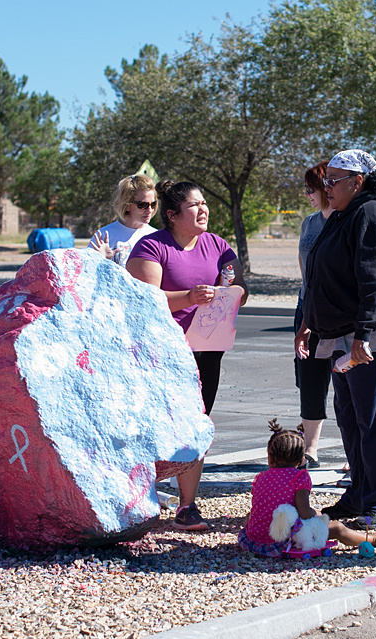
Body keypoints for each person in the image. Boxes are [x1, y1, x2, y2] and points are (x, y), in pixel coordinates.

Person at [295, 149, 376, 531]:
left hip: (370, 337)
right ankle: (360, 492)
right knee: (351, 418)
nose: (325, 187)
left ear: (357, 182)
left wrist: (364, 333)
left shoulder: (372, 214)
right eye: (325, 180)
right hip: (342, 335)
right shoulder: (344, 215)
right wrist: (310, 321)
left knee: (374, 420)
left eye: (332, 180)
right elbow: (323, 276)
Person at [127, 180, 248, 532]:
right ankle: (138, 498)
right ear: (172, 215)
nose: (204, 209)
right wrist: (189, 297)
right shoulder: (152, 246)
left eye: (205, 203)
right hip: (162, 350)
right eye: (195, 205)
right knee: (152, 423)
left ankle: (187, 505)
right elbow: (145, 299)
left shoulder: (218, 246)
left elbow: (238, 287)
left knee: (197, 423)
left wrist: (231, 292)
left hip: (207, 349)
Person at [238, 420, 376, 557]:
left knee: (254, 514)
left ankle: (259, 534)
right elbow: (304, 512)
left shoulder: (261, 477)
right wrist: (317, 515)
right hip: (283, 541)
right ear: (302, 459)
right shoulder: (299, 477)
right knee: (337, 528)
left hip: (254, 540)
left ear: (269, 457)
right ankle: (374, 539)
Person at [294, 161, 335, 469]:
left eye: (311, 189)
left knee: (348, 383)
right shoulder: (309, 223)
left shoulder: (346, 220)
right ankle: (311, 450)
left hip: (336, 312)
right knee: (309, 380)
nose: (307, 194)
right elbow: (304, 268)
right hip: (307, 308)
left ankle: (356, 452)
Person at [88, 174, 158, 268]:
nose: (150, 210)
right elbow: (87, 273)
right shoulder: (103, 236)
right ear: (127, 205)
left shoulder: (156, 237)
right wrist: (102, 261)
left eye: (153, 204)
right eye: (143, 205)